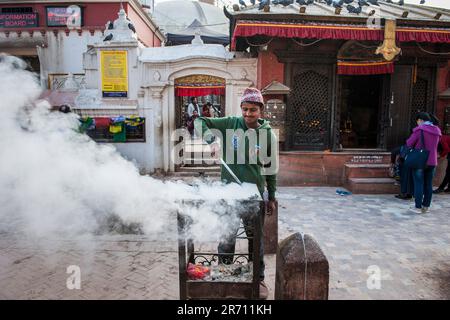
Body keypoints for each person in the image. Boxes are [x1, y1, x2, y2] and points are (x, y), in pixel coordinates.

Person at [195, 87, 277, 300]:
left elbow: (270, 169)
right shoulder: (230, 123)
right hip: (228, 194)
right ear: (241, 109)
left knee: (254, 240)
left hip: (254, 197)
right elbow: (199, 122)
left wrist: (272, 197)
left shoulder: (268, 134)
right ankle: (225, 275)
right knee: (226, 237)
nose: (248, 114)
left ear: (261, 110)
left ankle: (257, 279)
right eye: (245, 109)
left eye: (253, 110)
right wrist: (211, 141)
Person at [406, 112, 442, 214]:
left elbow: (409, 143)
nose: (417, 123)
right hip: (432, 161)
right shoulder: (437, 131)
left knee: (418, 184)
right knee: (428, 184)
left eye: (417, 121)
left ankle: (418, 207)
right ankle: (426, 207)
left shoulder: (419, 130)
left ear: (421, 120)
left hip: (420, 161)